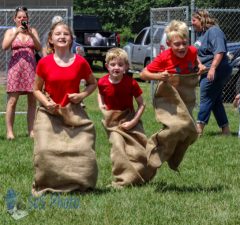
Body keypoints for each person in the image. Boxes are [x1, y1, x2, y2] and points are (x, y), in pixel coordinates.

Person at [32, 21, 98, 195]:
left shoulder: (81, 62)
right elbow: (36, 89)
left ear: (71, 39)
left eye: (66, 34)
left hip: (73, 113)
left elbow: (93, 83)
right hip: (50, 112)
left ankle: (81, 184)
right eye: (58, 34)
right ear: (51, 40)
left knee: (84, 150)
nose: (62, 36)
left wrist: (81, 95)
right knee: (45, 150)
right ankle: (45, 184)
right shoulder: (44, 63)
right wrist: (47, 103)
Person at [140, 20, 199, 171]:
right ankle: (155, 144)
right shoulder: (164, 57)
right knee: (179, 126)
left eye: (184, 43)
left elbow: (194, 60)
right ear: (168, 43)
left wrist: (200, 66)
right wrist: (159, 76)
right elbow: (144, 74)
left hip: (186, 99)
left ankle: (172, 155)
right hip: (169, 99)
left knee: (191, 132)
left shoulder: (192, 51)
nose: (181, 47)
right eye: (177, 44)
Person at [98, 48, 155, 187]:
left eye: (120, 64)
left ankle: (142, 174)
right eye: (112, 64)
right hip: (112, 121)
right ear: (107, 66)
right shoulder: (102, 82)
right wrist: (101, 105)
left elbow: (142, 104)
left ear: (126, 67)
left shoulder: (131, 83)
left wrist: (133, 121)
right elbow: (100, 93)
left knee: (138, 150)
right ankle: (123, 180)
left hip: (129, 118)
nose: (116, 67)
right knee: (118, 146)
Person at [1, 6, 41, 140]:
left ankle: (31, 131)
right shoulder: (10, 31)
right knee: (12, 101)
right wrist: (16, 33)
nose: (22, 19)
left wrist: (30, 34)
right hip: (15, 69)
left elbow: (39, 47)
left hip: (30, 69)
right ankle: (10, 132)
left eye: (24, 17)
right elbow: (5, 47)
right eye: (19, 17)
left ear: (28, 19)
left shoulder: (32, 30)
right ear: (15, 19)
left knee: (32, 100)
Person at [191, 9, 232, 136]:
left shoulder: (214, 31)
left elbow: (219, 51)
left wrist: (212, 68)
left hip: (217, 70)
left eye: (194, 20)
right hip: (206, 70)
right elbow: (196, 51)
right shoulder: (201, 34)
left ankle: (199, 129)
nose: (192, 23)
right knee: (215, 101)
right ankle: (226, 130)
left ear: (202, 19)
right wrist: (200, 64)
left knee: (206, 97)